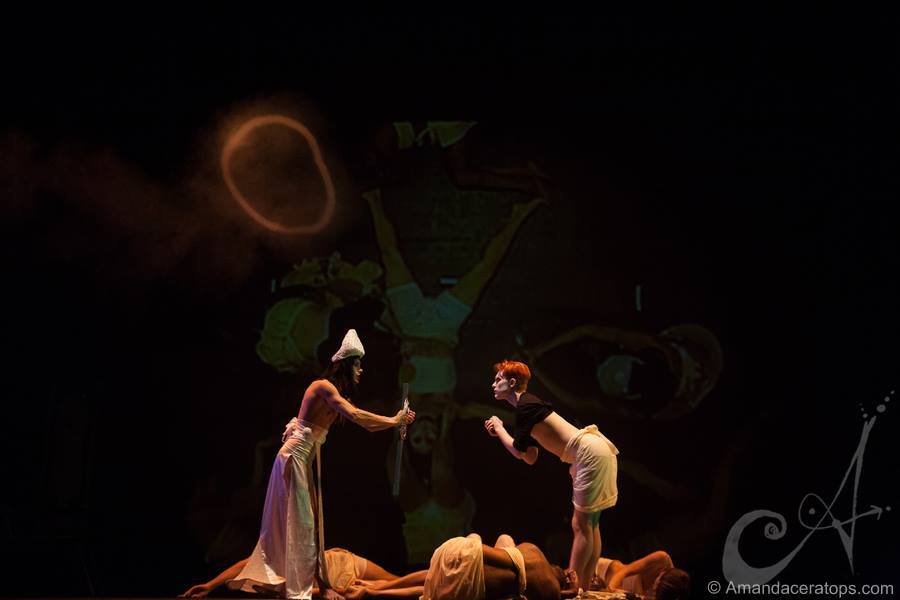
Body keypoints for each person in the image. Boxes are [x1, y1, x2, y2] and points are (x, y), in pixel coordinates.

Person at [228, 329, 416, 600]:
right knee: (302, 525)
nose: (361, 370)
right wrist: (394, 420)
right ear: (345, 365)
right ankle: (301, 585)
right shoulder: (323, 386)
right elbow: (356, 415)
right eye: (357, 365)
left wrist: (394, 422)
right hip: (293, 460)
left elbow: (366, 424)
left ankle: (314, 583)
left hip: (302, 462)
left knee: (311, 524)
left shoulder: (335, 394)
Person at [484, 360, 618, 595]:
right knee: (590, 524)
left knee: (581, 525)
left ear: (512, 382)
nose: (493, 384)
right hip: (593, 449)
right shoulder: (528, 406)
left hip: (589, 452)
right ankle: (583, 587)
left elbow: (519, 452)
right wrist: (505, 434)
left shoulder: (525, 406)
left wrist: (501, 428)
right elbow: (530, 456)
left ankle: (573, 586)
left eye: (498, 380)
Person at [343, 533, 577, 600]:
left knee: (433, 576)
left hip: (459, 548)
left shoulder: (532, 550)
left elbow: (503, 542)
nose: (565, 570)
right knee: (431, 589)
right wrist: (573, 589)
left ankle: (374, 588)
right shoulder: (550, 589)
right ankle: (372, 592)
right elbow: (563, 593)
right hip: (470, 581)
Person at [180, 547, 402, 598]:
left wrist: (210, 585)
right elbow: (310, 592)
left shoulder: (272, 561)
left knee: (398, 582)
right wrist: (332, 590)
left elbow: (242, 565)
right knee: (394, 589)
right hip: (336, 581)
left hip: (340, 563)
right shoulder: (273, 588)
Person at [591, 550, 691, 600]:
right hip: (602, 573)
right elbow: (624, 572)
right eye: (657, 584)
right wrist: (609, 592)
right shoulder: (662, 559)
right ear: (664, 572)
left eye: (655, 591)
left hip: (606, 594)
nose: (653, 588)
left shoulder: (664, 595)